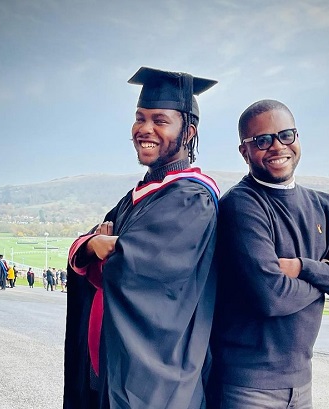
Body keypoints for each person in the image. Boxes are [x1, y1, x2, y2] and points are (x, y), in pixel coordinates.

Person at [63, 66, 219, 409]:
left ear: (189, 132)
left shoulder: (192, 199)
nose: (145, 129)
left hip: (154, 384)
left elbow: (135, 272)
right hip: (111, 368)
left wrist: (106, 254)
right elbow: (90, 243)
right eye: (140, 118)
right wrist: (91, 246)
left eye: (160, 120)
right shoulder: (140, 195)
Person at [209, 99, 329, 408]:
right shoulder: (242, 205)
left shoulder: (324, 206)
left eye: (286, 135)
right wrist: (327, 279)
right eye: (262, 140)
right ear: (245, 152)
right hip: (246, 386)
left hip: (301, 382)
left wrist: (303, 268)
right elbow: (272, 297)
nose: (277, 146)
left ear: (297, 138)